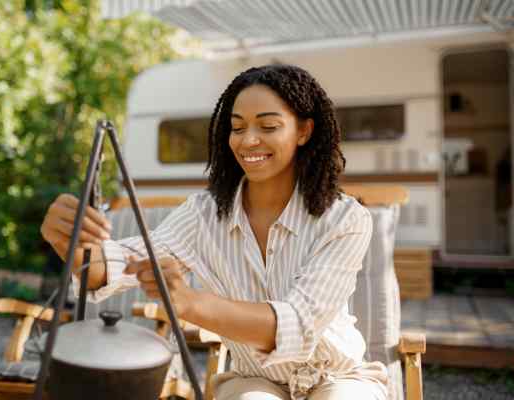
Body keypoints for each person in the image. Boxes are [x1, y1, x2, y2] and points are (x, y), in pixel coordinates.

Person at [40, 64, 388, 400]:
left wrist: (188, 301)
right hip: (255, 378)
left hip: (338, 377)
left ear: (304, 131)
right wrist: (69, 240)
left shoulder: (343, 218)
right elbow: (112, 267)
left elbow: (298, 323)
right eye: (237, 128)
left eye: (268, 126)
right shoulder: (204, 216)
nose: (248, 140)